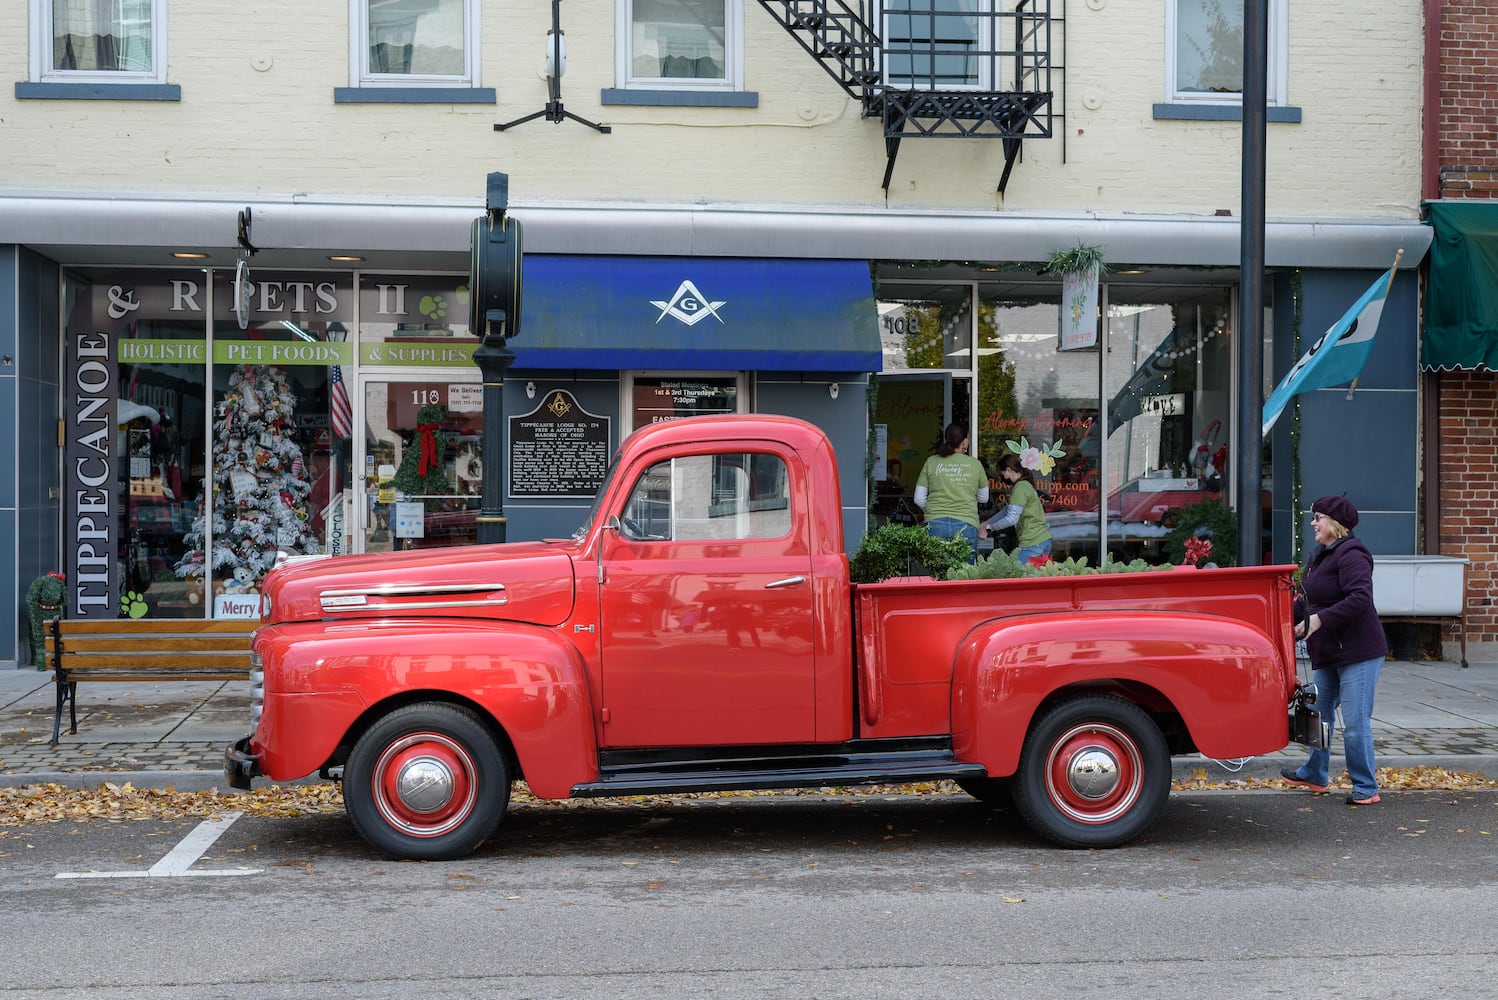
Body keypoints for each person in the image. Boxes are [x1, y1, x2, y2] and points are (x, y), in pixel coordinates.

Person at [1280, 495, 1388, 805]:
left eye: (1319, 518)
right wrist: (1287, 617)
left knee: (1354, 722)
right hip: (1327, 650)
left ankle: (1366, 787)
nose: (1313, 522)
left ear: (1335, 524)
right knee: (1318, 716)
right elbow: (1307, 601)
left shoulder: (1353, 555)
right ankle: (1315, 773)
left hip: (1359, 651)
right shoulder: (1318, 556)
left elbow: (1359, 599)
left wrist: (1318, 620)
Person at [913, 422, 989, 559]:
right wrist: (965, 498)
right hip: (966, 523)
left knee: (938, 573)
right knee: (965, 574)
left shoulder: (931, 462)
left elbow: (918, 498)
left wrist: (934, 509)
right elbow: (983, 498)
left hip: (935, 523)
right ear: (964, 441)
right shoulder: (975, 465)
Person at [980, 452, 1052, 563]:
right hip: (1042, 540)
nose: (1002, 478)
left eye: (1002, 474)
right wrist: (987, 523)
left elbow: (1011, 518)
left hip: (1032, 543)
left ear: (1008, 470)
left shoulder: (1020, 487)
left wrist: (989, 528)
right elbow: (1007, 511)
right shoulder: (1026, 484)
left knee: (1016, 575)